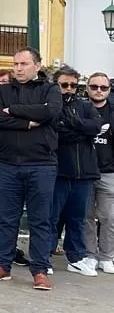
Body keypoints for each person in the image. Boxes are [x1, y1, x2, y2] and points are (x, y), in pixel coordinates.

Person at [0, 47, 62, 291]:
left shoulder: (50, 89)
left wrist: (13, 110)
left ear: (37, 66)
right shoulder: (3, 90)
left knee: (40, 220)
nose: (18, 68)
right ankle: (2, 265)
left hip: (41, 165)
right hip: (7, 164)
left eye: (24, 64)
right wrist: (28, 122)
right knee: (6, 218)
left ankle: (39, 269)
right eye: (15, 64)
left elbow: (50, 111)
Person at [49, 65, 102, 277]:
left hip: (85, 173)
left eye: (73, 84)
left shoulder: (86, 105)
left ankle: (76, 257)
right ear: (56, 85)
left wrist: (74, 124)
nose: (69, 88)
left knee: (78, 218)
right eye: (64, 84)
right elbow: (57, 133)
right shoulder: (52, 107)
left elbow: (96, 127)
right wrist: (82, 130)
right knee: (51, 217)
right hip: (59, 171)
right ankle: (44, 256)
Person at [0, 69, 30, 267]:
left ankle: (9, 247)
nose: (0, 85)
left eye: (4, 82)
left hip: (15, 161)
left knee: (13, 209)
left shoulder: (18, 104)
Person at [85, 72, 114, 274]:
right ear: (87, 88)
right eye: (94, 86)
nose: (98, 91)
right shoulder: (79, 109)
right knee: (85, 217)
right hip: (85, 173)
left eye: (103, 88)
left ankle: (107, 256)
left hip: (109, 172)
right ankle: (89, 255)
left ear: (109, 90)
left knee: (109, 218)